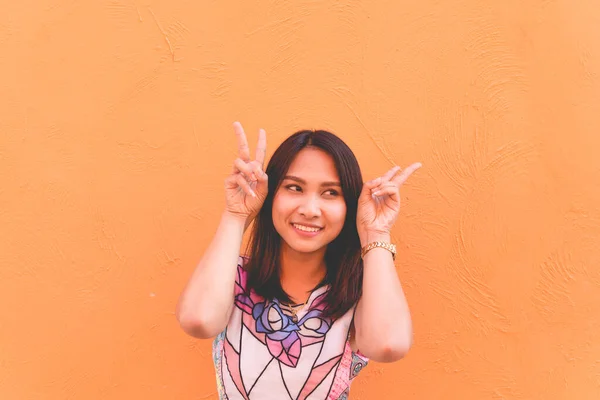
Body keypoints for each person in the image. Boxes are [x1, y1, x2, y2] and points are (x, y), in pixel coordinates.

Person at [176, 122, 421, 399]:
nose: (309, 209)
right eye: (294, 188)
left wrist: (375, 232)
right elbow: (198, 320)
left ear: (348, 206)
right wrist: (236, 215)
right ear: (271, 196)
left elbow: (388, 345)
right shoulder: (234, 277)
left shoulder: (360, 293)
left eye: (331, 193)